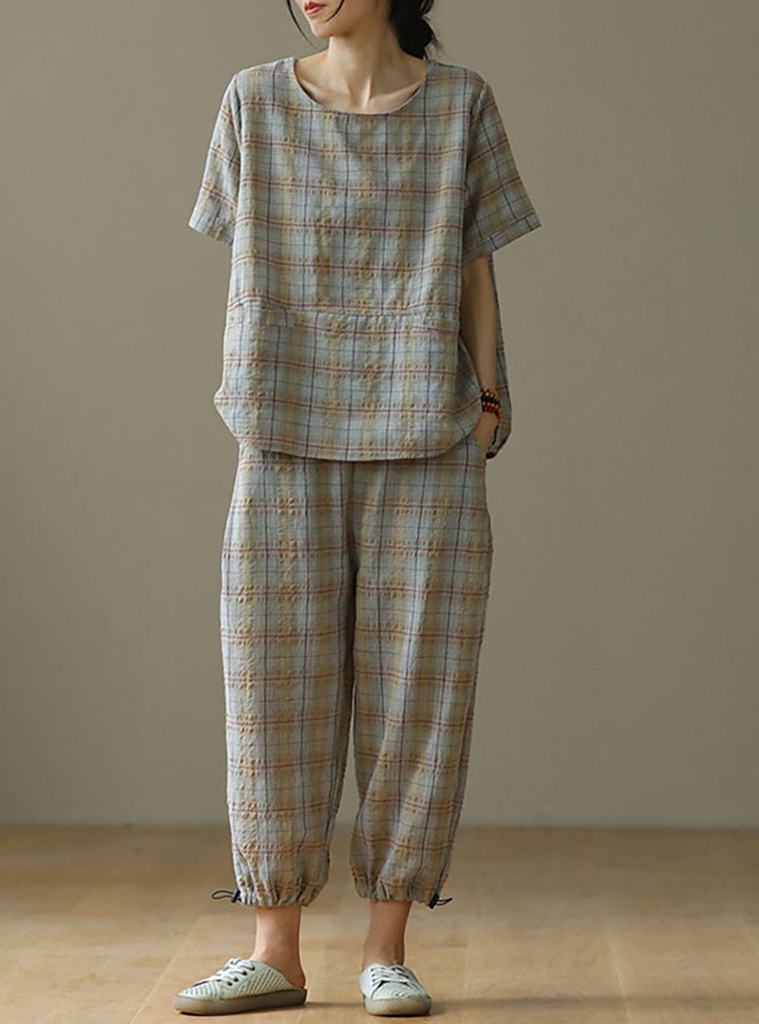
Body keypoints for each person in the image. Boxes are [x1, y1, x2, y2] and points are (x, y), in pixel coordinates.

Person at [174, 0, 541, 1015]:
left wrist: (490, 398)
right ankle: (276, 951)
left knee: (419, 694)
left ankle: (387, 950)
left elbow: (475, 259)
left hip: (428, 429)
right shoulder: (251, 102)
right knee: (269, 691)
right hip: (283, 425)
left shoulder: (462, 104)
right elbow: (241, 243)